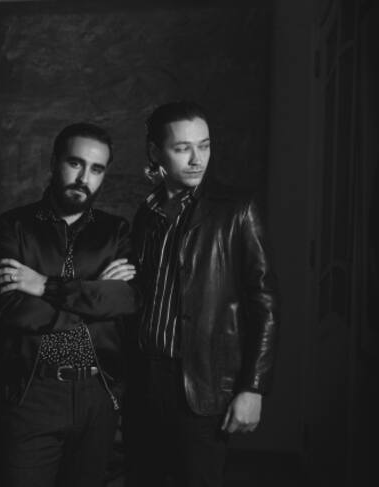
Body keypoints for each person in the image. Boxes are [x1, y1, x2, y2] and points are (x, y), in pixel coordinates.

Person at [126, 101, 280, 487]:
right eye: (183, 148)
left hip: (202, 384)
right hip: (145, 381)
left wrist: (253, 387)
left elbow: (264, 302)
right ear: (155, 152)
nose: (198, 159)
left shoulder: (236, 210)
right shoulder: (146, 213)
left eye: (205, 145)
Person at [0, 123, 138, 487]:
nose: (84, 178)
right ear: (54, 162)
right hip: (31, 392)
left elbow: (125, 300)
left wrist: (43, 285)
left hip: (97, 393)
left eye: (96, 169)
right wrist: (95, 298)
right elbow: (16, 309)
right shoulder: (14, 226)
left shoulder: (115, 231)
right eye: (75, 163)